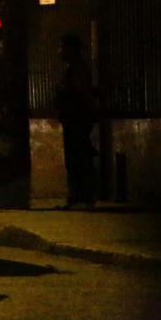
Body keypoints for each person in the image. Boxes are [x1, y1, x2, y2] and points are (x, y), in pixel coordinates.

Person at [55, 33, 97, 210]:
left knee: (78, 159)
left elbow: (81, 95)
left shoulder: (77, 70)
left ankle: (82, 198)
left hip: (76, 121)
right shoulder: (73, 69)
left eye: (62, 47)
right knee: (75, 159)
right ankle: (78, 197)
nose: (59, 51)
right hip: (74, 121)